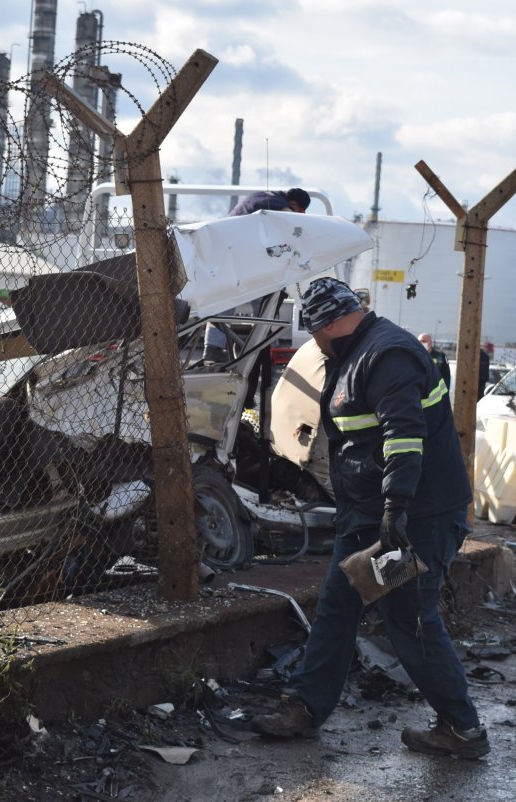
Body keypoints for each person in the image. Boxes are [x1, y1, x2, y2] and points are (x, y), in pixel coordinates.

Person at [252, 277, 488, 759]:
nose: (313, 343)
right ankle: (304, 706)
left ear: (328, 324)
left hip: (412, 519)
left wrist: (395, 510)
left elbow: (404, 437)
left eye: (313, 332)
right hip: (370, 516)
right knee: (337, 610)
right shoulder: (356, 355)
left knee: (409, 620)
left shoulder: (387, 356)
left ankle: (462, 729)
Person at [202, 189, 312, 363]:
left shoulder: (259, 197)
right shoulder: (281, 207)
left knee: (224, 303)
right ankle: (268, 349)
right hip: (244, 259)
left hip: (226, 256)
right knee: (265, 303)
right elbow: (292, 225)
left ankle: (213, 349)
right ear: (294, 204)